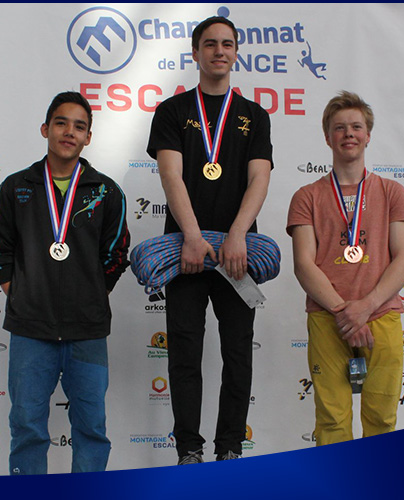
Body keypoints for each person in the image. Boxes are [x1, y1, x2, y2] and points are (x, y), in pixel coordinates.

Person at [146, 15, 273, 464]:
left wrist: (237, 235)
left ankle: (230, 448)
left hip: (238, 255)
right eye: (210, 44)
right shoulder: (172, 111)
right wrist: (193, 237)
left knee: (238, 353)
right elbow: (171, 175)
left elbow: (259, 178)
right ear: (196, 52)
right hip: (186, 252)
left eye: (227, 44)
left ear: (236, 52)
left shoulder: (255, 115)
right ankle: (189, 450)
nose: (219, 51)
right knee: (184, 353)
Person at [0, 91, 130, 473]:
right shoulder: (16, 187)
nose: (69, 132)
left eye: (79, 126)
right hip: (31, 330)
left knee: (91, 430)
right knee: (27, 428)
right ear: (45, 129)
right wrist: (20, 292)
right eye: (61, 123)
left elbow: (117, 253)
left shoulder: (106, 192)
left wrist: (91, 293)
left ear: (88, 137)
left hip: (87, 330)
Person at [286, 91, 404, 445]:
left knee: (382, 418)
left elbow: (403, 258)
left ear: (368, 135)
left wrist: (366, 307)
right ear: (327, 137)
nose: (348, 134)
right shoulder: (306, 196)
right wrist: (346, 313)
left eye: (356, 127)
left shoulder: (392, 192)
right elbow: (303, 264)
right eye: (339, 127)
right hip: (328, 318)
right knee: (331, 421)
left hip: (381, 315)